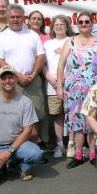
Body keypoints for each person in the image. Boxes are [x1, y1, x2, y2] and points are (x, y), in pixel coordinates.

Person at [0, 65, 43, 192]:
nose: (7, 81)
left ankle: (19, 165)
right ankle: (2, 167)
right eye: (3, 78)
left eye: (10, 77)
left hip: (17, 146)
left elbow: (28, 130)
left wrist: (9, 152)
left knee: (36, 153)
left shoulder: (25, 102)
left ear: (16, 79)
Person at [57, 12, 97, 168]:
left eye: (87, 21)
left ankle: (93, 154)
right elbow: (61, 65)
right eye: (81, 22)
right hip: (74, 92)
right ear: (77, 24)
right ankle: (78, 155)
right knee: (77, 123)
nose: (84, 24)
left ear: (92, 23)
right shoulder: (70, 42)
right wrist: (59, 86)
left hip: (94, 91)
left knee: (92, 123)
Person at [0, 4, 46, 145]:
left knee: (35, 117)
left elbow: (41, 57)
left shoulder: (32, 35)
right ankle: (14, 151)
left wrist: (33, 74)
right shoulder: (0, 37)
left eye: (18, 17)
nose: (15, 19)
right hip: (10, 83)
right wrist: (17, 76)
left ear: (23, 18)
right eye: (12, 17)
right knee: (12, 118)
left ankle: (35, 150)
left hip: (32, 81)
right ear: (7, 18)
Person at [43, 15, 73, 158]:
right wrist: (49, 78)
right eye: (56, 24)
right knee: (57, 116)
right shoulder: (47, 44)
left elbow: (76, 63)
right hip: (52, 86)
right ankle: (60, 145)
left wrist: (63, 79)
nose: (59, 26)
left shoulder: (72, 41)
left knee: (73, 115)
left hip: (70, 85)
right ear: (52, 27)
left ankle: (73, 145)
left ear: (67, 26)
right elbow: (42, 64)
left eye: (62, 24)